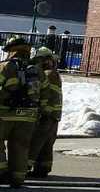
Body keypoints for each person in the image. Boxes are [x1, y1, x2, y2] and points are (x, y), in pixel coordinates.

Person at [0, 37, 41, 189]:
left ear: (12, 50)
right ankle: (17, 178)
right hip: (28, 116)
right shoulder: (35, 70)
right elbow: (44, 93)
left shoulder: (5, 66)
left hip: (5, 113)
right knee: (20, 146)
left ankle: (1, 173)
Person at [26, 48, 60, 179]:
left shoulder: (47, 74)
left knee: (35, 142)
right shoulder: (53, 73)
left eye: (39, 61)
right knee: (46, 143)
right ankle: (43, 168)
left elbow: (44, 94)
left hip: (46, 114)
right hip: (53, 115)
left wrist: (42, 111)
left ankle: (24, 167)